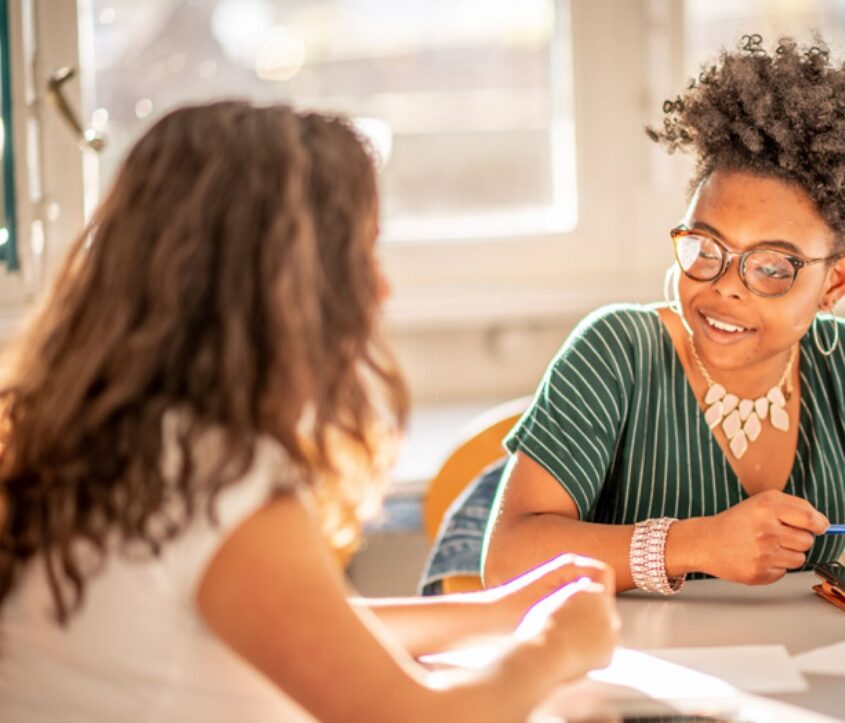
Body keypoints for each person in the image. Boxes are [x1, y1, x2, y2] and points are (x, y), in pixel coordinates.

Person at [0, 101, 617, 722]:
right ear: (282, 284)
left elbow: (296, 630)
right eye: (362, 254)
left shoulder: (102, 439)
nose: (381, 288)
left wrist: (496, 612)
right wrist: (555, 648)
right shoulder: (215, 478)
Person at [484, 35, 845, 595]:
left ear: (833, 283)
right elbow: (506, 557)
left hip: (815, 676)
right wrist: (697, 544)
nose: (724, 287)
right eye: (705, 246)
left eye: (770, 267)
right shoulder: (618, 350)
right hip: (639, 679)